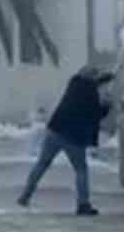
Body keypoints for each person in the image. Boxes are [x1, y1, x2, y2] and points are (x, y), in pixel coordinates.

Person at [18, 66, 114, 216]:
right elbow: (96, 114)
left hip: (55, 130)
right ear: (92, 78)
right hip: (73, 137)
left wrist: (104, 79)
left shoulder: (74, 83)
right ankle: (83, 204)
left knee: (42, 164)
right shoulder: (92, 95)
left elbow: (93, 83)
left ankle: (25, 196)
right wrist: (107, 106)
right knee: (81, 169)